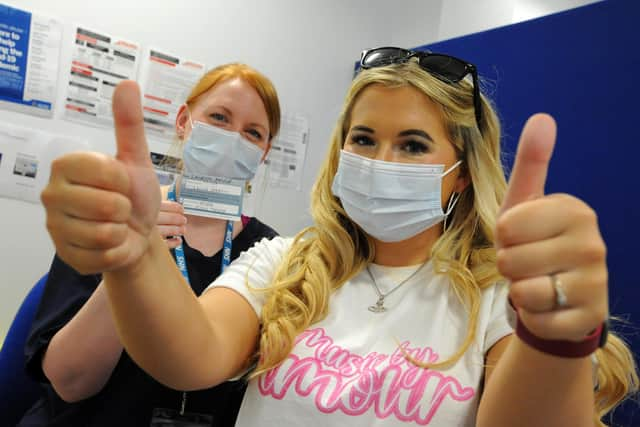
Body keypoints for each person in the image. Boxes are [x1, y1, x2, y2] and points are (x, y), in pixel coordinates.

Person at [40, 47, 638, 426]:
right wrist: (138, 253)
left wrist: (555, 342)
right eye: (363, 138)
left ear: (459, 173)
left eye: (412, 144)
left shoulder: (496, 297)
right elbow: (189, 354)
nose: (380, 159)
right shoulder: (286, 261)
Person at [20, 63, 281, 426]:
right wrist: (129, 260)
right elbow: (70, 383)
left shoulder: (271, 254)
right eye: (219, 117)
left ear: (264, 153)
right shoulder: (115, 217)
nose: (233, 139)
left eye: (252, 133)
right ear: (183, 121)